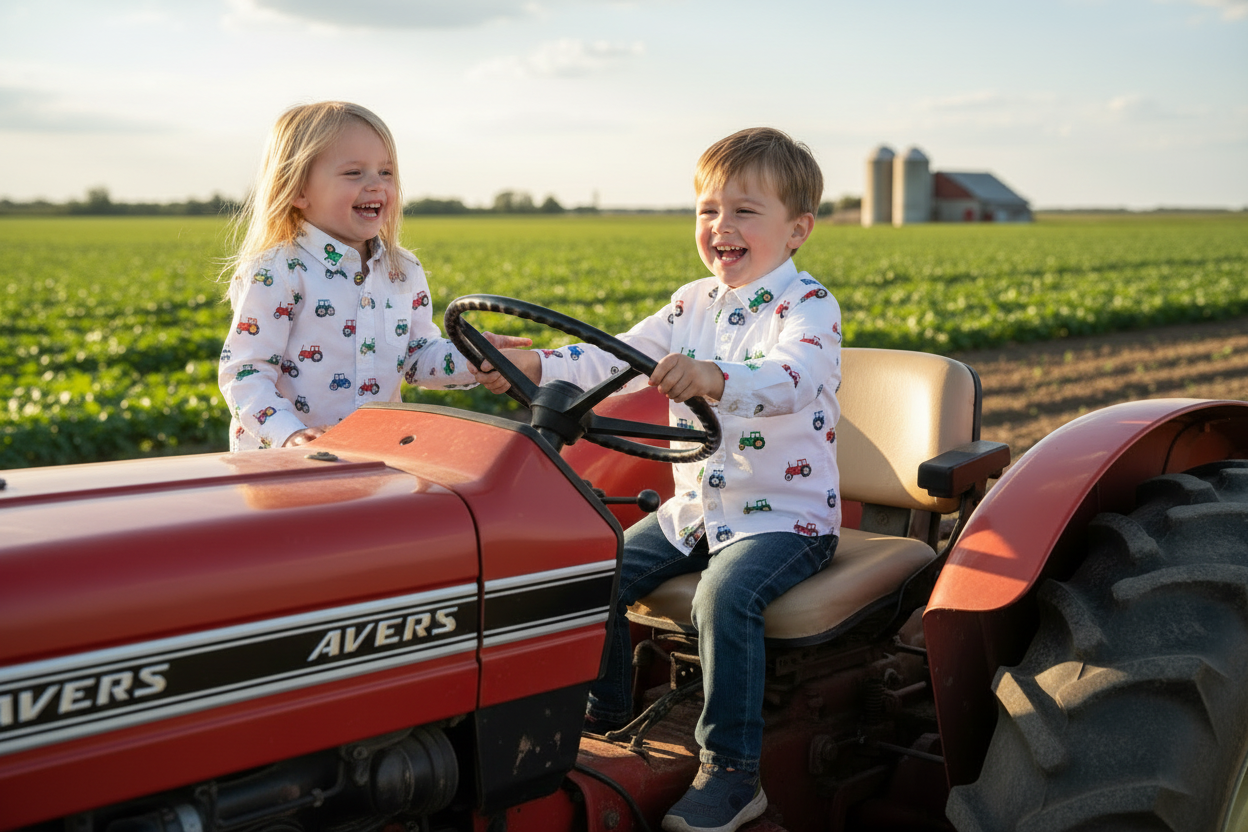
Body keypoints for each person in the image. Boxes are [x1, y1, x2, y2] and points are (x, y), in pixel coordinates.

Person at [474, 127, 841, 832]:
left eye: (744, 211)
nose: (721, 226)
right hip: (697, 512)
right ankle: (605, 713)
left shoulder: (808, 307)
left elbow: (793, 378)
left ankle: (731, 771)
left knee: (723, 596)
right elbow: (611, 359)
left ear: (797, 230)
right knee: (595, 567)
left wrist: (713, 376)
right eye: (708, 210)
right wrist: (537, 365)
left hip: (784, 518)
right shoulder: (690, 304)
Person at [219, 101, 527, 450]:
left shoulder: (403, 269)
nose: (376, 185)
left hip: (373, 453)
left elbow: (417, 357)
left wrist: (475, 356)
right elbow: (245, 374)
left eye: (386, 172)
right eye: (354, 173)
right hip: (285, 465)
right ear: (298, 190)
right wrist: (288, 434)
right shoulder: (277, 271)